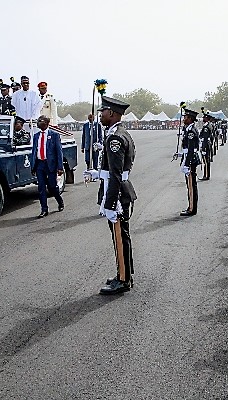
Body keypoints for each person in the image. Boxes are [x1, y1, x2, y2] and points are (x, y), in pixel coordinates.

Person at [85, 96, 137, 295]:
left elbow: (116, 174)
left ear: (112, 114)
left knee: (120, 238)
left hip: (117, 195)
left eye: (103, 112)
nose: (100, 115)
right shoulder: (119, 133)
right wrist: (96, 173)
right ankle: (124, 274)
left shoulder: (115, 137)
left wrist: (110, 202)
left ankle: (123, 280)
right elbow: (114, 170)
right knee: (122, 237)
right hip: (119, 190)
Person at [30, 115, 65, 218]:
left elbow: (59, 152)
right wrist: (33, 167)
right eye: (38, 121)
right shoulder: (36, 136)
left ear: (47, 123)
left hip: (50, 165)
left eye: (41, 121)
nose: (39, 123)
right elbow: (34, 152)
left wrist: (60, 167)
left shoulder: (54, 135)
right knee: (41, 188)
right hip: (40, 164)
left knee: (52, 186)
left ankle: (60, 201)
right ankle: (44, 209)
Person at [180, 108, 201, 216]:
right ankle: (191, 206)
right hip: (189, 158)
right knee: (190, 185)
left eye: (186, 117)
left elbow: (191, 149)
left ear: (191, 119)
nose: (184, 119)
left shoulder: (191, 132)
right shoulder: (188, 129)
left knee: (191, 186)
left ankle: (192, 209)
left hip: (191, 160)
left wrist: (187, 164)